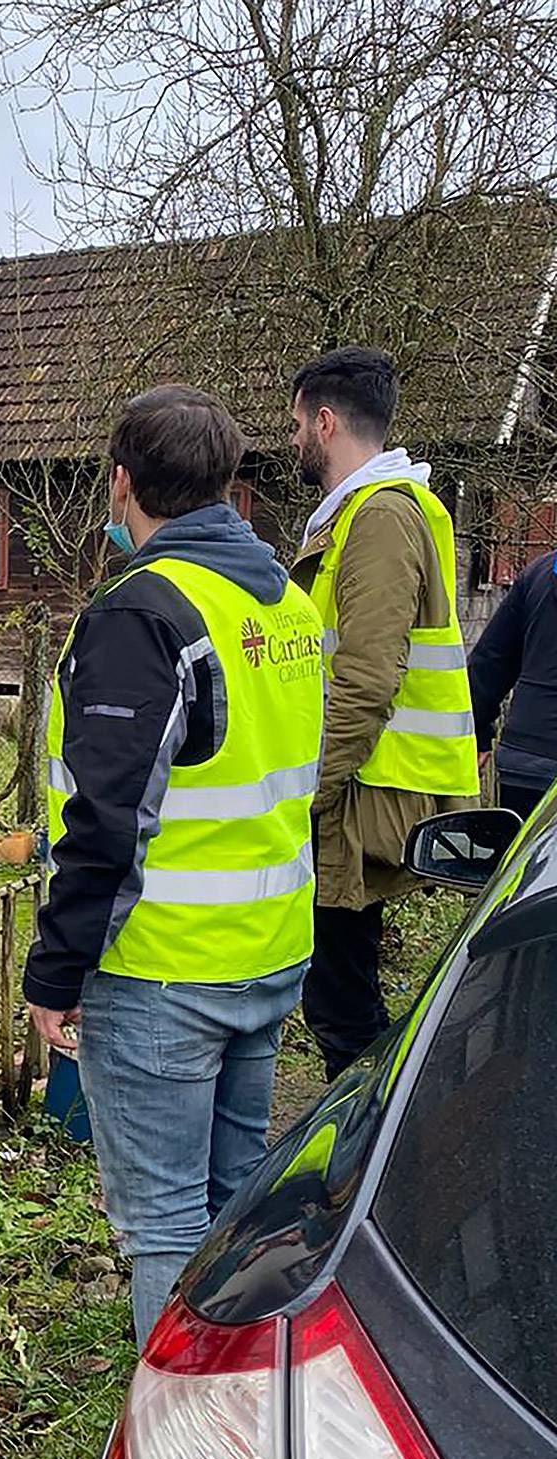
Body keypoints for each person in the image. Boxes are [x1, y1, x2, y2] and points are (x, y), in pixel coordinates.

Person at [24, 385, 324, 1353]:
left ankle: (178, 1458)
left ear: (121, 485)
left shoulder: (143, 613)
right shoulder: (282, 597)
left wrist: (56, 974)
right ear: (226, 482)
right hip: (269, 951)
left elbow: (107, 822)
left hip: (166, 970)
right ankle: (244, 1395)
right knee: (234, 1203)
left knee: (161, 1224)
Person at [289, 347, 479, 1081]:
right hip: (361, 784)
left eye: (298, 422)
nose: (294, 438)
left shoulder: (380, 519)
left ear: (327, 422)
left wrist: (308, 791)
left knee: (342, 1000)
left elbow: (364, 679)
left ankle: (372, 1152)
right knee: (341, 988)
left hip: (363, 792)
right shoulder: (361, 515)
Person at [469, 549, 557, 820]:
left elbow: (490, 660)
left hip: (528, 760)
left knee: (525, 861)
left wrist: (477, 733)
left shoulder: (541, 571)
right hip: (535, 758)